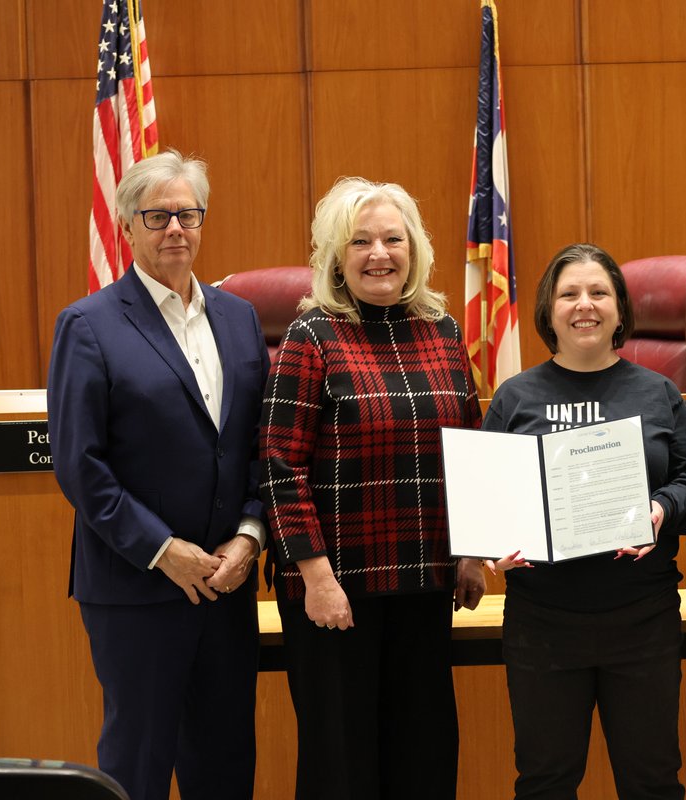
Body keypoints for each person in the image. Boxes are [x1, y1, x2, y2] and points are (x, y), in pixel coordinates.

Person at [48, 149, 268, 800]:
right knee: (137, 768)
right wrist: (162, 550)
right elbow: (79, 464)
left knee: (225, 765)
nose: (176, 227)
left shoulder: (240, 317)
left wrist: (251, 535)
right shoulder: (87, 326)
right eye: (158, 215)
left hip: (225, 586)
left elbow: (259, 442)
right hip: (134, 589)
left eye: (187, 214)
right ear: (126, 226)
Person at [260, 177, 484, 799]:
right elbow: (280, 465)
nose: (379, 254)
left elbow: (468, 448)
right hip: (336, 591)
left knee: (425, 756)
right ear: (335, 256)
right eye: (360, 241)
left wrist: (470, 549)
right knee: (343, 766)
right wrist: (316, 577)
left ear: (415, 249)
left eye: (393, 239)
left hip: (424, 581)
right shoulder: (312, 338)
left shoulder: (441, 332)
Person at [483, 243, 686, 800]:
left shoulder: (656, 392)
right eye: (569, 294)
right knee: (544, 783)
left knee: (653, 782)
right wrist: (489, 546)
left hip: (642, 618)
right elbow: (486, 497)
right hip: (542, 622)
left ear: (619, 309)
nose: (584, 304)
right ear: (549, 310)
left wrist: (661, 510)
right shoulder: (514, 397)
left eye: (598, 292)